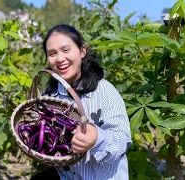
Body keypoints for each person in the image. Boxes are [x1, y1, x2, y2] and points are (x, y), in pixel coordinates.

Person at [31, 24, 131, 180]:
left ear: (82, 51)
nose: (60, 59)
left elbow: (123, 142)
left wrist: (97, 138)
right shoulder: (49, 96)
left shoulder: (104, 91)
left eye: (66, 50)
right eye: (52, 53)